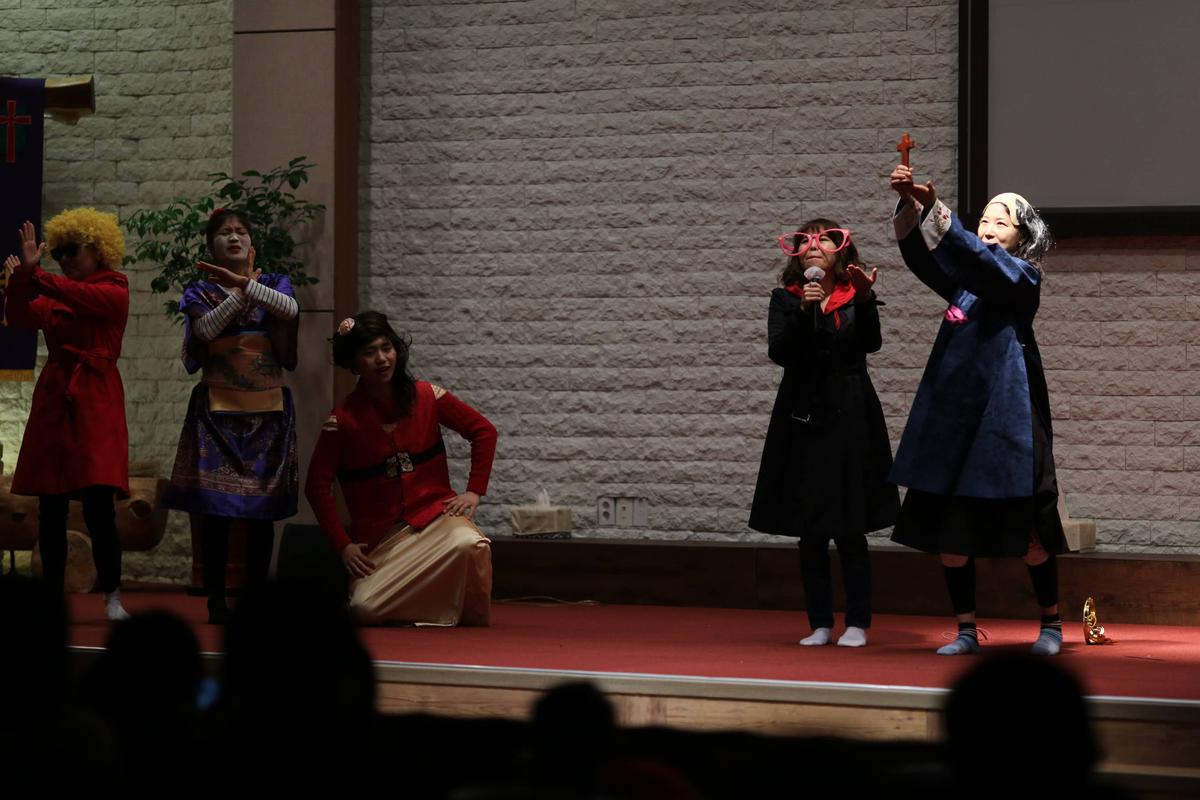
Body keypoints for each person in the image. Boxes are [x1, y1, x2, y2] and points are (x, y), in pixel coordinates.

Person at [888, 164, 1066, 656]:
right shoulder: (967, 283)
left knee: (1029, 531)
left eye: (1001, 221)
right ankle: (966, 630)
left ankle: (1051, 624)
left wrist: (936, 209)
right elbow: (925, 259)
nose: (987, 226)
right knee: (951, 531)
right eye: (984, 218)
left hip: (1007, 418)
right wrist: (911, 206)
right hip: (958, 417)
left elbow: (977, 261)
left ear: (1022, 237)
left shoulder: (1022, 276)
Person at [749, 220, 899, 647]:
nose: (814, 246)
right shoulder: (786, 298)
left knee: (850, 524)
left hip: (850, 411)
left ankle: (857, 622)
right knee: (810, 526)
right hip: (802, 414)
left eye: (825, 239)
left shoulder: (856, 296)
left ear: (841, 252)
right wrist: (802, 312)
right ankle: (819, 622)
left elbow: (870, 344)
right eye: (806, 242)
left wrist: (865, 300)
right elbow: (781, 351)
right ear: (798, 256)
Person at [305, 311, 496, 626]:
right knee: (363, 609)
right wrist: (343, 545)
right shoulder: (342, 421)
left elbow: (484, 432)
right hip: (383, 537)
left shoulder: (428, 396)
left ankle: (459, 613)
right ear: (353, 363)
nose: (382, 359)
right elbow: (316, 486)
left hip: (436, 518)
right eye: (369, 352)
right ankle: (435, 606)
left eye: (386, 348)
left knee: (470, 544)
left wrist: (474, 491)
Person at [163, 208, 300, 624]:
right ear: (212, 246)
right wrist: (241, 290)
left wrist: (246, 284)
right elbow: (205, 331)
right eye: (225, 233)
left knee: (261, 511)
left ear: (252, 243)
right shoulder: (199, 291)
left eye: (241, 231)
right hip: (217, 412)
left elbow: (289, 310)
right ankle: (217, 601)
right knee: (216, 510)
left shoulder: (274, 282)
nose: (234, 237)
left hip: (267, 412)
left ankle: (255, 600)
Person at [4, 211, 131, 621]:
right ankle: (50, 602)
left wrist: (36, 274)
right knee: (52, 507)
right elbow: (20, 318)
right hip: (56, 399)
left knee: (99, 506)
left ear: (97, 249)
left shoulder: (115, 287)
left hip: (94, 397)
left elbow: (85, 298)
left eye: (72, 251)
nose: (65, 259)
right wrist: (21, 279)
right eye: (58, 253)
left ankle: (112, 597)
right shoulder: (56, 292)